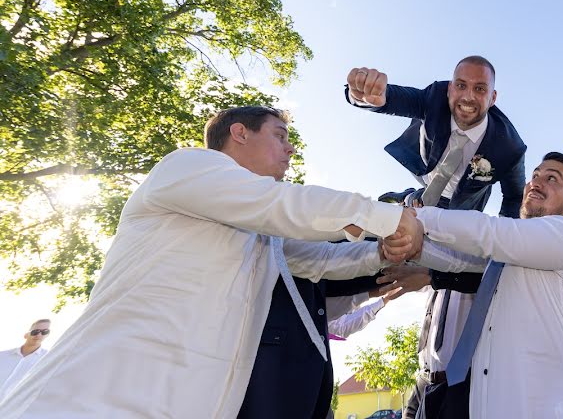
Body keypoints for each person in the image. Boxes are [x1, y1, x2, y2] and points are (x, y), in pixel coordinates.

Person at [0, 106, 413, 418]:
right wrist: (391, 217)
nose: (290, 148)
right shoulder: (188, 167)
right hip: (98, 398)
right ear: (239, 132)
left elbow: (317, 261)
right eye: (280, 135)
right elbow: (283, 204)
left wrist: (379, 251)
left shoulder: (260, 233)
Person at [345, 56, 526, 418]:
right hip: (420, 197)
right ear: (449, 87)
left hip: (459, 218)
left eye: (479, 89)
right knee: (377, 227)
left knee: (441, 263)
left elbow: (514, 198)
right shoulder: (433, 99)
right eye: (461, 85)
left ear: (493, 96)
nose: (468, 97)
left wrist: (504, 248)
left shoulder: (509, 147)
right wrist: (363, 94)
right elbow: (391, 99)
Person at [385, 152, 563, 419]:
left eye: (552, 178)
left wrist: (414, 217)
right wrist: (406, 242)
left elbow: (489, 233)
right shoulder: (508, 257)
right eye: (534, 176)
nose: (535, 183)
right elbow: (456, 259)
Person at [0, 320, 50, 400]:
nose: (39, 335)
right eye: (35, 331)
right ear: (26, 335)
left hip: (13, 408)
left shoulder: (47, 359)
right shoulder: (2, 356)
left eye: (45, 332)